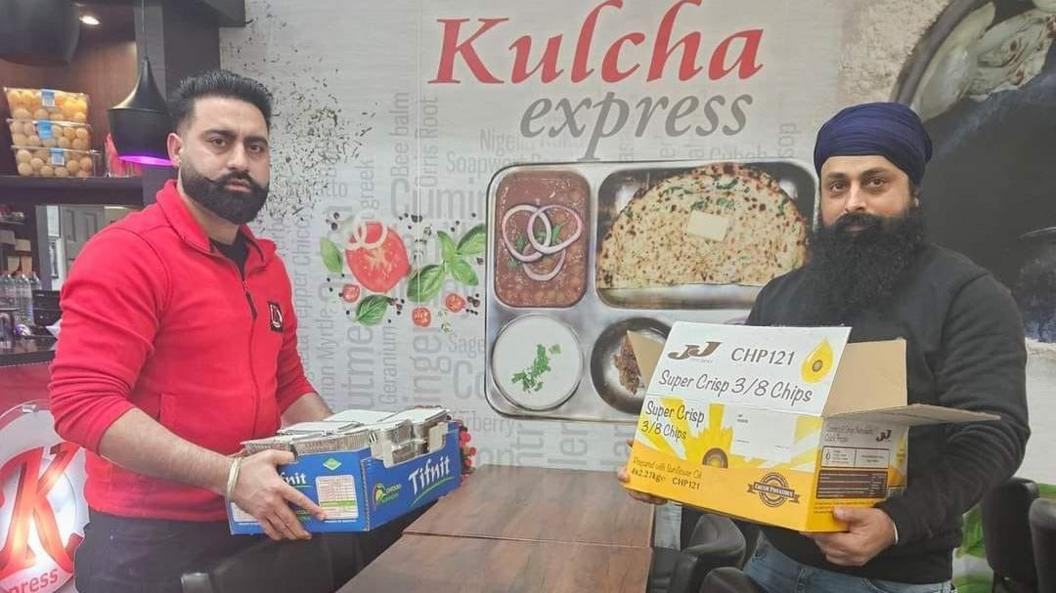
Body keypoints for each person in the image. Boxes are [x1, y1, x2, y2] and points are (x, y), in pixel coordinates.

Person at [619, 102, 1029, 592]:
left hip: (892, 578)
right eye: (838, 186)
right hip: (772, 563)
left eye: (875, 182)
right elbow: (735, 416)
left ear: (913, 192)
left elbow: (995, 436)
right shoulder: (783, 294)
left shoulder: (969, 295)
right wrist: (669, 468)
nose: (853, 201)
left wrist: (894, 521)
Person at [50, 70, 333, 593]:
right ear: (177, 149)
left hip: (254, 521)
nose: (239, 161)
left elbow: (290, 388)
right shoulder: (128, 254)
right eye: (219, 141)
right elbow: (82, 404)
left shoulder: (266, 266)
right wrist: (228, 476)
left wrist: (360, 449)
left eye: (256, 146)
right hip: (147, 547)